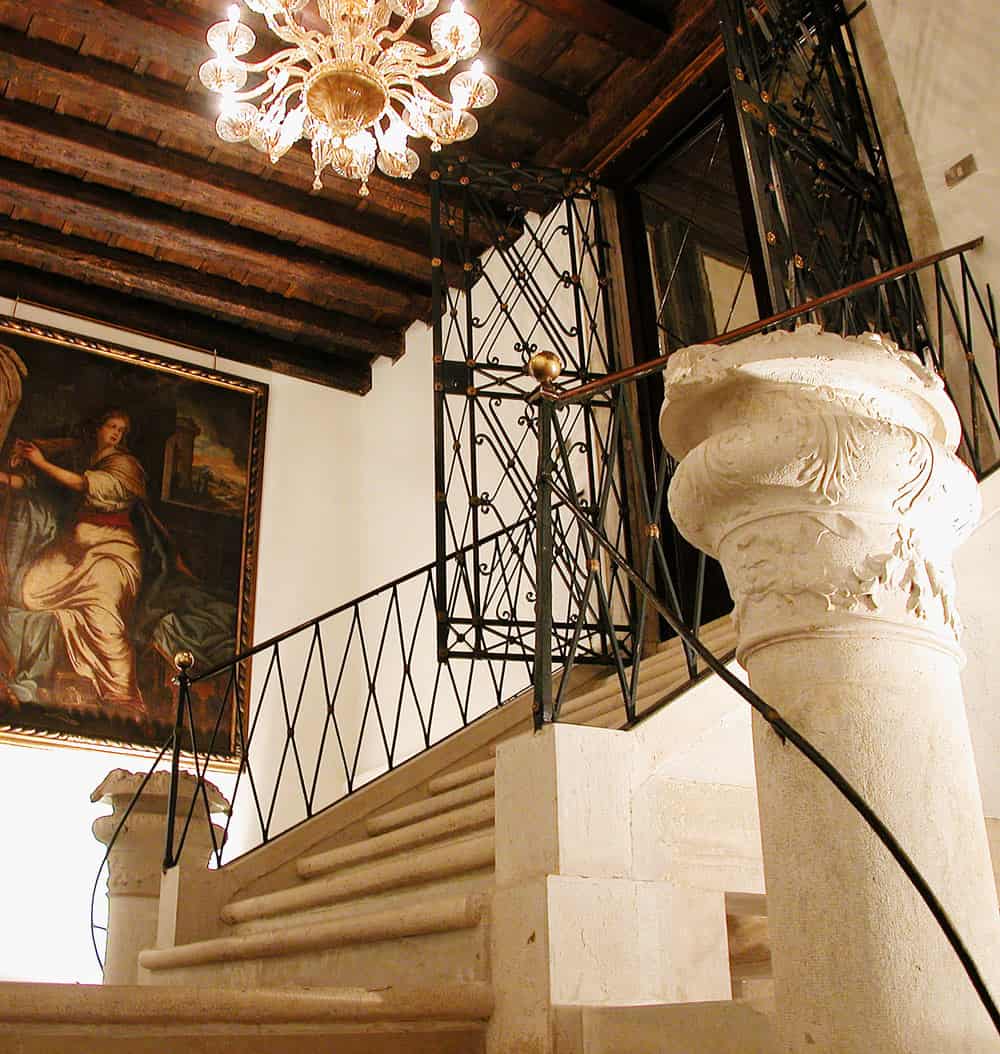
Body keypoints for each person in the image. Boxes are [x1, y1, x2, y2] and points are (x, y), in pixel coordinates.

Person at [0, 409, 146, 713]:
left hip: (112, 550)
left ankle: (122, 696)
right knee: (30, 593)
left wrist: (40, 461)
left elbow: (82, 485)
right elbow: (46, 464)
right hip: (76, 549)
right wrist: (25, 455)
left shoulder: (125, 465)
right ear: (98, 428)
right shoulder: (84, 455)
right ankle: (68, 623)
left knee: (103, 608)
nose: (117, 433)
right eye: (112, 426)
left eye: (122, 429)